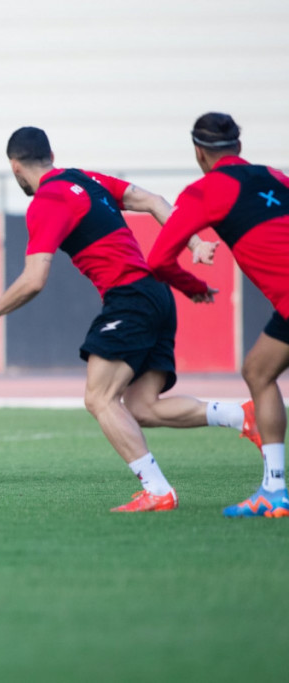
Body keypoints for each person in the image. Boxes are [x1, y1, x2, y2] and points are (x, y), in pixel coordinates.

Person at [0, 126, 258, 512]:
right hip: (157, 294)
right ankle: (241, 416)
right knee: (142, 407)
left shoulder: (47, 201)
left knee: (99, 397)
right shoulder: (84, 178)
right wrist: (195, 242)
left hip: (129, 297)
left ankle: (157, 490)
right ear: (51, 156)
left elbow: (34, 280)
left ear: (15, 167)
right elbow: (153, 200)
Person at [148, 112, 289, 518]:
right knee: (258, 371)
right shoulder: (276, 176)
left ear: (199, 153)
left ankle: (276, 491)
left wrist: (192, 286)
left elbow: (159, 260)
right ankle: (274, 489)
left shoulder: (205, 190)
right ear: (238, 147)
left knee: (259, 374)